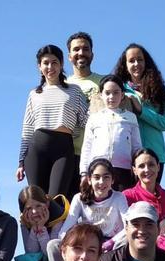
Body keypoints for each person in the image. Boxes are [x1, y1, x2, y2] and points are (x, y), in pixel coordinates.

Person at [17, 45, 89, 198]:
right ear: (39, 66)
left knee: (57, 199)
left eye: (54, 62)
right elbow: (28, 128)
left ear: (62, 64)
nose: (50, 67)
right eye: (46, 63)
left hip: (63, 148)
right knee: (37, 199)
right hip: (37, 148)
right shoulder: (34, 94)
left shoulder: (74, 91)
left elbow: (85, 121)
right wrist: (21, 161)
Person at [48, 159, 129, 261]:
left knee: (128, 239)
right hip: (87, 245)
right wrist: (72, 245)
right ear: (89, 180)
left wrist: (110, 243)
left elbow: (129, 225)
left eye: (106, 177)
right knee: (53, 245)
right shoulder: (79, 198)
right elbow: (65, 230)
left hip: (112, 246)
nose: (101, 182)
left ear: (112, 180)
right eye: (97, 177)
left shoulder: (119, 197)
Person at [113, 43, 165, 182]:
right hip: (124, 157)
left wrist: (141, 111)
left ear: (146, 62)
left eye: (140, 59)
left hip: (154, 155)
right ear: (125, 65)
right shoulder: (118, 90)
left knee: (149, 202)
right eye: (131, 60)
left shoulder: (159, 90)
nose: (136, 64)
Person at [79, 74, 142, 190]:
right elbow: (87, 146)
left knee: (123, 204)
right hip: (98, 171)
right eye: (107, 93)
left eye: (116, 92)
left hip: (124, 171)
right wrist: (84, 173)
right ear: (101, 95)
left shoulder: (131, 117)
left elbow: (137, 147)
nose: (111, 97)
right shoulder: (94, 118)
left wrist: (138, 168)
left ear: (122, 95)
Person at [65, 32, 104, 168]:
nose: (81, 53)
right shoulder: (62, 84)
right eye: (76, 49)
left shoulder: (105, 83)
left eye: (86, 49)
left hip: (98, 155)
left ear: (92, 55)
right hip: (67, 154)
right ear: (69, 56)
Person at [16, 185, 68, 261]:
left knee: (50, 246)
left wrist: (41, 230)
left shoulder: (58, 217)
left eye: (38, 205)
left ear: (47, 203)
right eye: (29, 208)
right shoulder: (25, 221)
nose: (34, 211)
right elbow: (31, 252)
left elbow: (50, 252)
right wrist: (34, 230)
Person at [122, 148, 165, 225]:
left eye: (151, 165)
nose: (147, 170)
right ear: (135, 170)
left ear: (158, 167)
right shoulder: (127, 196)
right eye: (141, 166)